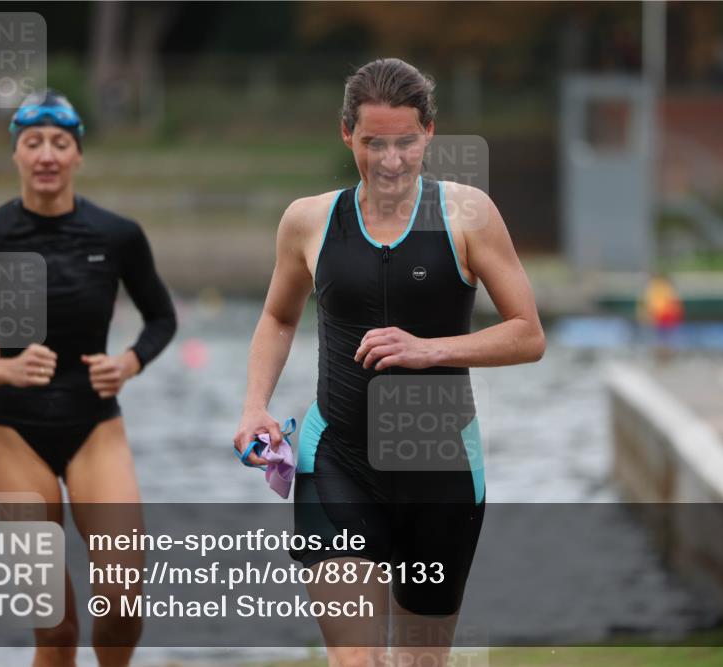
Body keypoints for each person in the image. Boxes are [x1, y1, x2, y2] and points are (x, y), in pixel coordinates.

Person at [233, 58, 545, 667]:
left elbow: (528, 334)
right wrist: (254, 405)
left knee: (420, 662)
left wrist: (431, 350)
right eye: (374, 143)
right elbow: (277, 318)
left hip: (442, 467)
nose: (391, 161)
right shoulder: (308, 221)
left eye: (406, 142)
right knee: (356, 662)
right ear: (346, 133)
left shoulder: (468, 215)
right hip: (338, 461)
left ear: (430, 131)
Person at [0, 90, 177, 667]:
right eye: (32, 142)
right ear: (16, 154)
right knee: (58, 629)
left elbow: (161, 318)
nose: (46, 154)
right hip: (15, 437)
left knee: (122, 602)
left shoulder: (117, 236)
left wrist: (130, 363)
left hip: (96, 430)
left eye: (59, 143)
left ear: (78, 156)